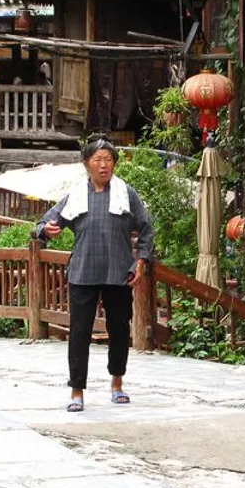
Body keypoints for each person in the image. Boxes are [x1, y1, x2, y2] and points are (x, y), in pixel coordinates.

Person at [35, 139, 154, 413]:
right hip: (83, 272)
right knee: (79, 333)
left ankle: (117, 384)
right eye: (98, 159)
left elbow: (146, 229)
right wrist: (45, 230)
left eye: (109, 159)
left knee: (119, 330)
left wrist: (142, 261)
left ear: (114, 163)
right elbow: (44, 223)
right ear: (86, 164)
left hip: (118, 272)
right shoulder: (76, 194)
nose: (104, 165)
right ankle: (77, 391)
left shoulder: (127, 193)